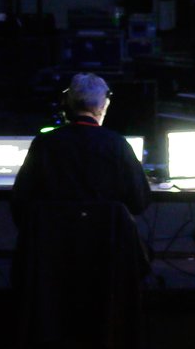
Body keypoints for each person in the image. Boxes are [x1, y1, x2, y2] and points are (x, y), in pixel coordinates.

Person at [9, 72, 151, 231]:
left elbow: (20, 201)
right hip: (107, 246)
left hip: (51, 246)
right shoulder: (118, 145)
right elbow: (139, 203)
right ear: (103, 106)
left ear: (67, 104)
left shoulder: (43, 144)